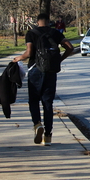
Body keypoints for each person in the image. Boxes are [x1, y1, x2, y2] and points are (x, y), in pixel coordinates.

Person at [13, 13, 74, 146]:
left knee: (34, 100)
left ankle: (37, 124)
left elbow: (29, 53)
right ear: (48, 21)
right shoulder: (56, 33)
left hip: (35, 70)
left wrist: (18, 58)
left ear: (37, 21)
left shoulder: (31, 33)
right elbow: (70, 47)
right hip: (51, 71)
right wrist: (59, 60)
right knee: (48, 103)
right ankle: (47, 136)